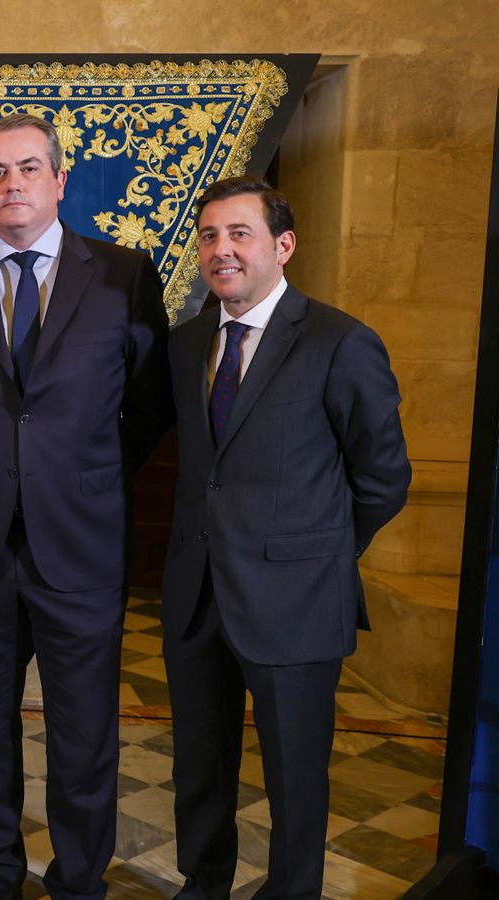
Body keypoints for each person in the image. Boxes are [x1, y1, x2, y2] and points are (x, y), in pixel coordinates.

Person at [0, 113, 172, 900]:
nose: (12, 184)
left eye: (28, 168)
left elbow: (152, 403)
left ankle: (79, 881)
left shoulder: (124, 274)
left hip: (81, 540)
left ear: (60, 181)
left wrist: (77, 475)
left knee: (83, 732)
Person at [163, 176, 410, 899]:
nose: (222, 250)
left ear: (283, 244)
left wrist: (318, 553)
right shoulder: (186, 345)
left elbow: (384, 476)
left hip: (298, 601)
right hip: (198, 594)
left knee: (294, 774)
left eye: (240, 233)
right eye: (210, 236)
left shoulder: (341, 341)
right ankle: (203, 883)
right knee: (199, 765)